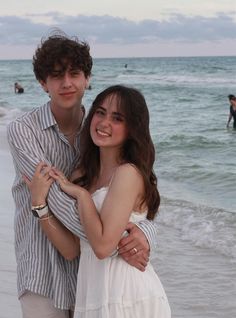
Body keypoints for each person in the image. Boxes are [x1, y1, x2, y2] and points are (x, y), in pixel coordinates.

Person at [7, 31, 158, 318]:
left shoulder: (100, 133)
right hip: (43, 271)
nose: (66, 83)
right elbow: (58, 200)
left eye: (75, 73)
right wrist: (113, 242)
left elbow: (137, 192)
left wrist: (148, 230)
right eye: (55, 75)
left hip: (94, 280)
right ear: (42, 83)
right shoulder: (23, 131)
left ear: (87, 79)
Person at [25, 85, 171, 317]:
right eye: (100, 112)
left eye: (117, 118)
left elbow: (103, 247)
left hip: (127, 294)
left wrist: (82, 196)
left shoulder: (128, 174)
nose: (104, 123)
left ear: (133, 129)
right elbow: (72, 249)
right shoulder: (81, 175)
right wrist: (40, 204)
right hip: (92, 293)